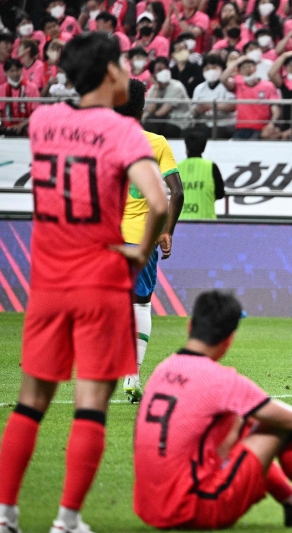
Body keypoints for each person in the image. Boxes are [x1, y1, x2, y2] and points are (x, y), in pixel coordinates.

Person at [0, 32, 168, 533]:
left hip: (47, 283)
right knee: (91, 407)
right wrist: (139, 252)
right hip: (99, 282)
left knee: (31, 402)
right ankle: (67, 520)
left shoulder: (42, 120)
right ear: (112, 73)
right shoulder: (124, 134)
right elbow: (158, 202)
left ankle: (6, 515)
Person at [133, 290, 292, 528]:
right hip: (196, 508)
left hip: (149, 508)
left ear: (190, 326)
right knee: (282, 424)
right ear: (229, 339)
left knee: (236, 421)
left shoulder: (162, 370)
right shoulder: (221, 380)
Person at [116, 79, 185, 404]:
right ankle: (132, 375)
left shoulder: (101, 141)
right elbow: (177, 191)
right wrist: (167, 230)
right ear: (143, 108)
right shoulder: (156, 143)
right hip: (141, 240)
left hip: (104, 241)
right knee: (140, 303)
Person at [178, 129, 225, 220]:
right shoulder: (211, 166)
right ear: (204, 148)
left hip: (181, 222)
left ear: (186, 148)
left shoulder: (177, 167)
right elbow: (220, 194)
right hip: (206, 223)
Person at [191, 54, 237, 138]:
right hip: (205, 123)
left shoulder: (229, 84)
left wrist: (210, 106)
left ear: (221, 68)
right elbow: (193, 109)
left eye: (214, 67)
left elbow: (232, 106)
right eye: (207, 68)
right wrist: (197, 109)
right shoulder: (199, 88)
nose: (211, 71)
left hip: (226, 123)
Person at [143, 56, 191, 137]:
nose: (164, 72)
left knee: (149, 124)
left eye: (166, 69)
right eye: (159, 70)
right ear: (153, 75)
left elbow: (161, 112)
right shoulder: (153, 89)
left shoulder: (176, 87)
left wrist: (147, 120)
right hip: (162, 122)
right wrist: (156, 88)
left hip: (178, 123)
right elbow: (150, 110)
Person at [0, 58, 39, 137]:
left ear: (21, 70)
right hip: (7, 129)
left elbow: (37, 113)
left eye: (17, 70)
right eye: (12, 71)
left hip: (27, 127)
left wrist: (21, 125)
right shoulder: (1, 89)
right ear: (6, 73)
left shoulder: (32, 88)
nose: (15, 73)